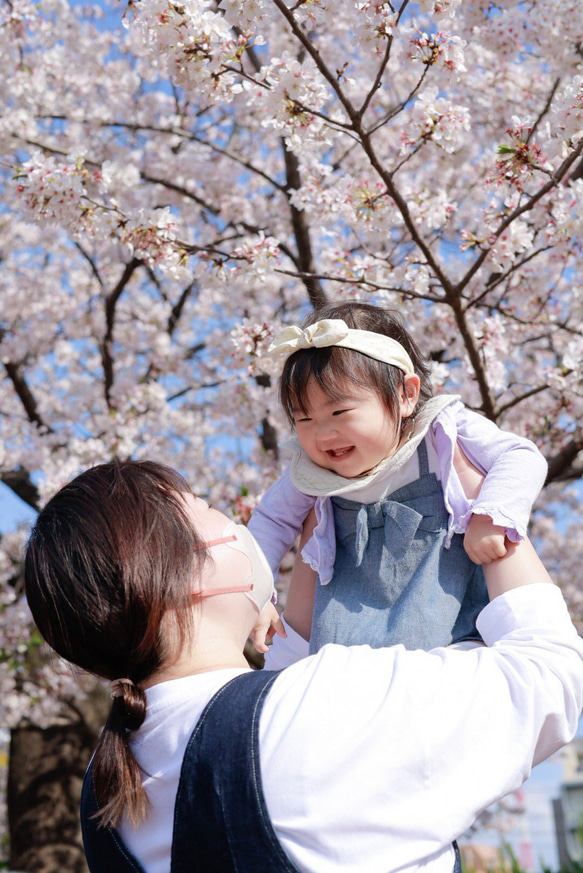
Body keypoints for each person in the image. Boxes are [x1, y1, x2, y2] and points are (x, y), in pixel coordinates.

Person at [24, 459, 583, 873]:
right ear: (190, 576)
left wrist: (314, 562)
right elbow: (550, 674)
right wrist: (490, 507)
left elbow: (253, 711)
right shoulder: (325, 709)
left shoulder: (106, 788)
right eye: (212, 512)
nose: (242, 523)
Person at [249, 301, 548, 651]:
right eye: (304, 419)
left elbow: (520, 455)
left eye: (339, 411)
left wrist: (491, 514)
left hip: (454, 634)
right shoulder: (314, 473)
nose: (323, 434)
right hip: (347, 642)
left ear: (407, 394)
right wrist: (255, 595)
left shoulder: (441, 433)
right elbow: (270, 520)